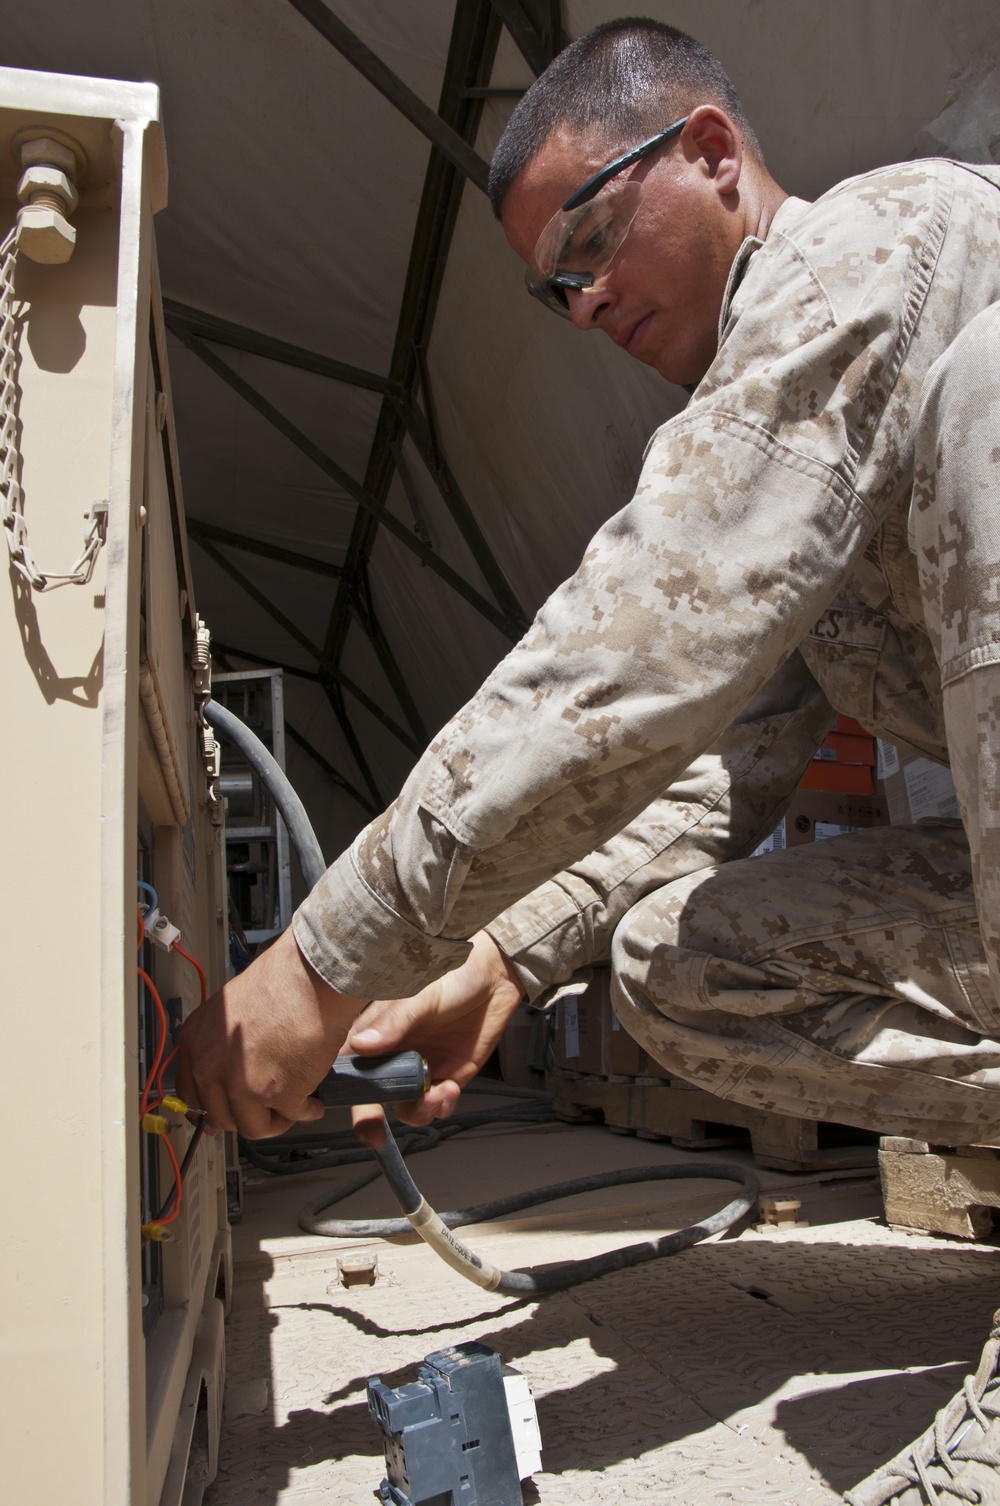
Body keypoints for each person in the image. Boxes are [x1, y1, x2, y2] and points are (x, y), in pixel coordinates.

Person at [178, 19, 1000, 1502]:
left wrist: (318, 962)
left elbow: (629, 663)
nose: (579, 303)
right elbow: (714, 766)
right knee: (685, 961)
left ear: (708, 151)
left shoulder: (881, 245)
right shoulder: (780, 452)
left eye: (593, 239)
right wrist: (503, 955)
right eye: (552, 284)